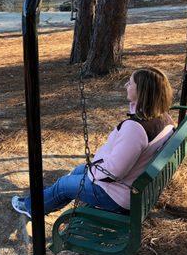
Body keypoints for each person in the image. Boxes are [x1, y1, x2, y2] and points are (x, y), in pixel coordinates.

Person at [12, 67, 175, 218]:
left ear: (142, 91)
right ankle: (46, 202)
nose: (126, 85)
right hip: (133, 186)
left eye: (130, 83)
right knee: (77, 171)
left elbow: (114, 172)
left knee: (64, 185)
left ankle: (32, 208)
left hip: (118, 196)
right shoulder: (164, 119)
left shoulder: (136, 128)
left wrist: (92, 174)